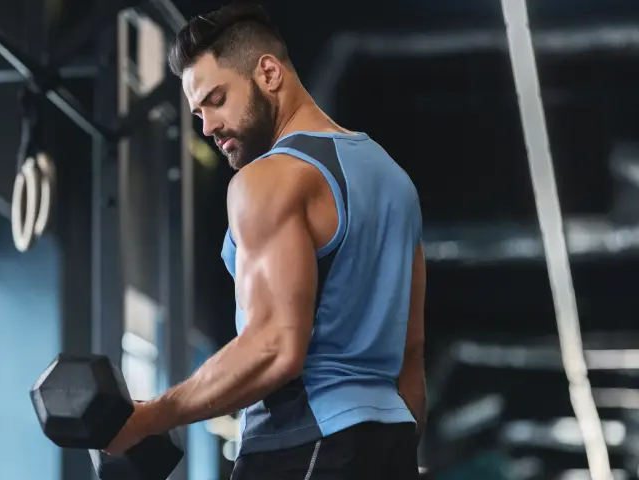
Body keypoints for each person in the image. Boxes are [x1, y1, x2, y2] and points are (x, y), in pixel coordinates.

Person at [102, 4, 426, 479]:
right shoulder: (395, 181)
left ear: (268, 72)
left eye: (216, 99)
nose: (207, 126)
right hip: (391, 442)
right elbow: (411, 353)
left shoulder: (268, 179)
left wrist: (148, 417)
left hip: (302, 441)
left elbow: (275, 347)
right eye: (198, 112)